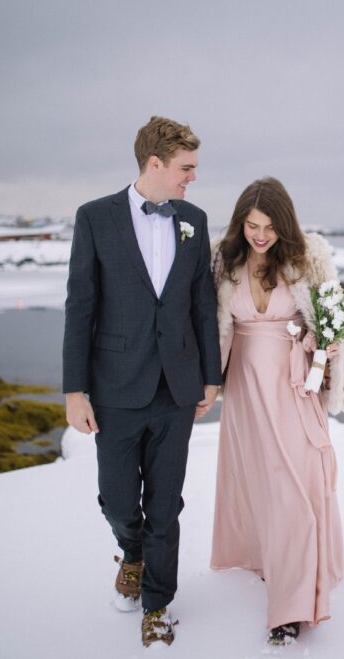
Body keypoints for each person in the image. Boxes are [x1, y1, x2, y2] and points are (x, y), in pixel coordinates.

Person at [62, 115, 222, 648]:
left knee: (166, 502)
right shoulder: (95, 218)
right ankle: (131, 552)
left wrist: (210, 378)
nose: (192, 178)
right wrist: (74, 390)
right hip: (115, 388)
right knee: (117, 500)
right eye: (186, 168)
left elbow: (203, 304)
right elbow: (80, 307)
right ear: (155, 164)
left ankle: (157, 603)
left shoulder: (195, 221)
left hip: (177, 390)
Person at [209, 177, 344, 645]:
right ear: (241, 224)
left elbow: (334, 324)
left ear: (285, 225)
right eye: (252, 225)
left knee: (296, 488)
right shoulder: (224, 260)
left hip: (294, 388)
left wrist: (329, 345)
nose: (260, 235)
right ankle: (270, 559)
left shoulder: (308, 260)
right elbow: (208, 325)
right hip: (243, 391)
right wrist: (203, 382)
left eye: (270, 227)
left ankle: (290, 608)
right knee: (259, 481)